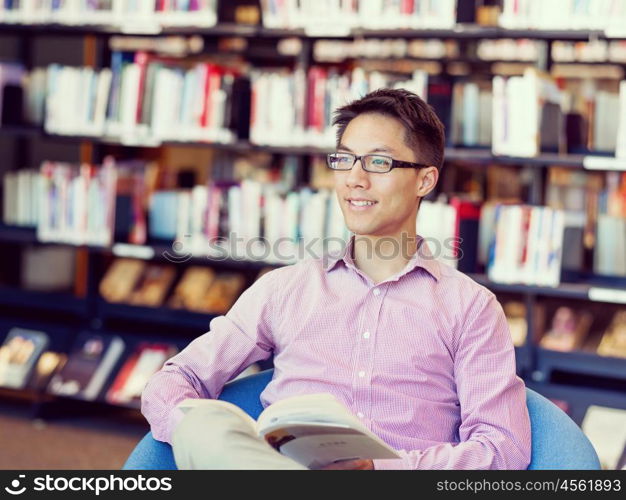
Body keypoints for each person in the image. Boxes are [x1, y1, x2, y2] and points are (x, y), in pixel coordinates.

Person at [141, 88, 531, 470]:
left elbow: (502, 447)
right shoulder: (284, 289)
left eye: (379, 163)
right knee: (210, 427)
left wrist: (380, 470)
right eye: (344, 160)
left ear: (425, 181)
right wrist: (197, 433)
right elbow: (178, 378)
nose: (354, 179)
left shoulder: (471, 307)